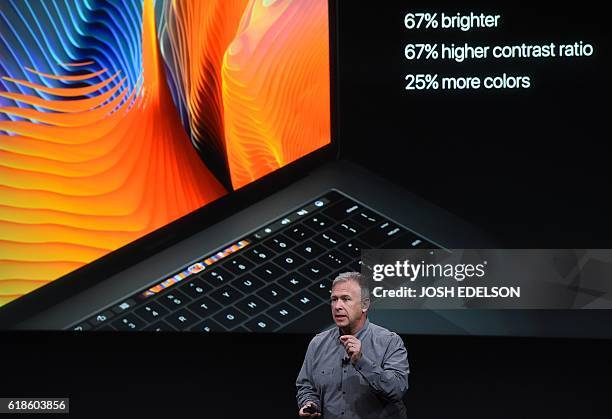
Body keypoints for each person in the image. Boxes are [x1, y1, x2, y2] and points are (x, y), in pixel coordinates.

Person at [296, 272, 409, 418]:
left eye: (346, 299)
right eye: (334, 299)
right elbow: (306, 386)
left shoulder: (389, 342)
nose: (337, 306)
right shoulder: (318, 343)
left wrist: (361, 361)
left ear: (365, 304)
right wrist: (309, 403)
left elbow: (397, 389)